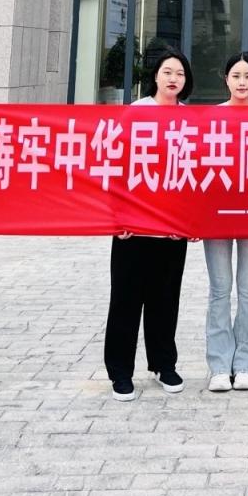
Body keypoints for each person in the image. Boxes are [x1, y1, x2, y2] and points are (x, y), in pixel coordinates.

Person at [104, 47, 193, 400]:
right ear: (155, 76)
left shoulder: (190, 119)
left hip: (172, 228)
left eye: (180, 74)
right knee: (125, 300)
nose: (173, 78)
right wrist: (117, 217)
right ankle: (120, 372)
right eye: (168, 72)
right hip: (132, 227)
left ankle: (163, 365)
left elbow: (196, 175)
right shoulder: (136, 113)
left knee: (165, 300)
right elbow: (114, 167)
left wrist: (193, 222)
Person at [205, 52, 248, 392]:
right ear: (226, 79)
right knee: (219, 289)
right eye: (236, 76)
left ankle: (245, 364)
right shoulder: (210, 118)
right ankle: (218, 365)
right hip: (215, 215)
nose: (242, 82)